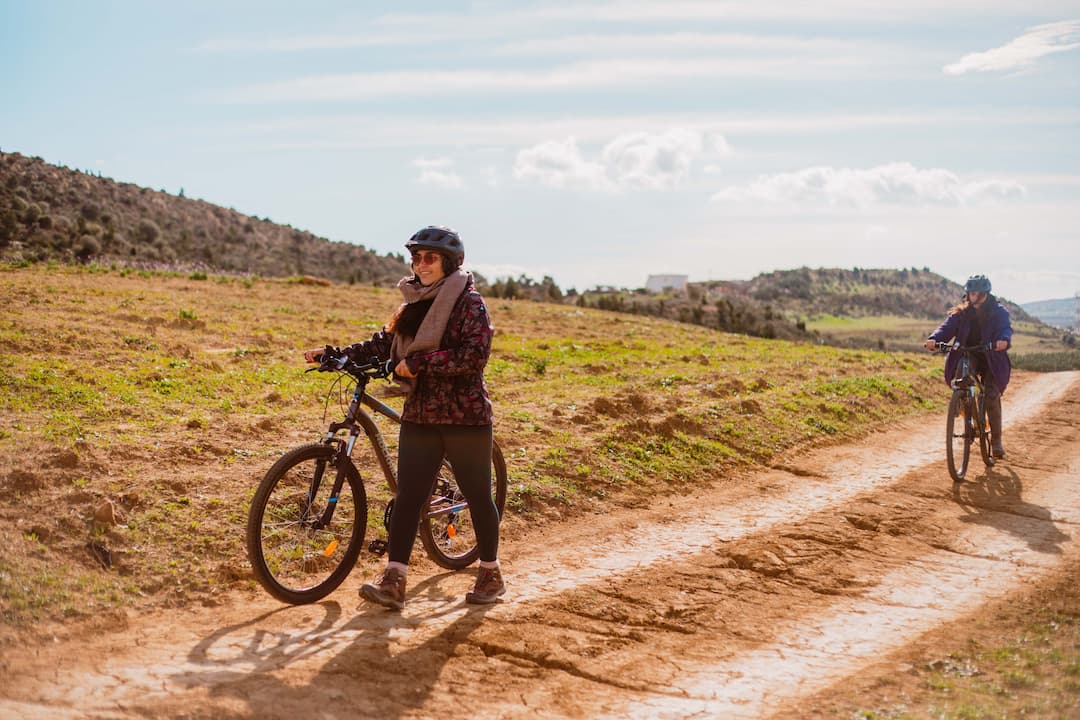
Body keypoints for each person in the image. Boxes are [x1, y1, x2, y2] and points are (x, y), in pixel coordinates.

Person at [304, 226, 504, 610]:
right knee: (409, 496)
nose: (421, 264)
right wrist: (335, 354)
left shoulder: (469, 303)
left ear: (449, 262)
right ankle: (394, 580)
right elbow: (383, 344)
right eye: (416, 258)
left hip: (465, 417)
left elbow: (474, 355)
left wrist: (420, 363)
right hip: (421, 414)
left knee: (478, 494)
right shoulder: (413, 304)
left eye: (430, 258)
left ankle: (490, 573)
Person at [924, 274, 1013, 458]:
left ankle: (996, 440)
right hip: (969, 352)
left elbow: (1005, 328)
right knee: (961, 372)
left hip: (991, 357)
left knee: (991, 395)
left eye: (979, 294)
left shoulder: (999, 312)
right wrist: (934, 339)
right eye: (972, 294)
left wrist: (1003, 340)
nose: (975, 297)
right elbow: (946, 328)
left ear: (986, 294)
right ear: (968, 294)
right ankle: (964, 406)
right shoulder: (961, 313)